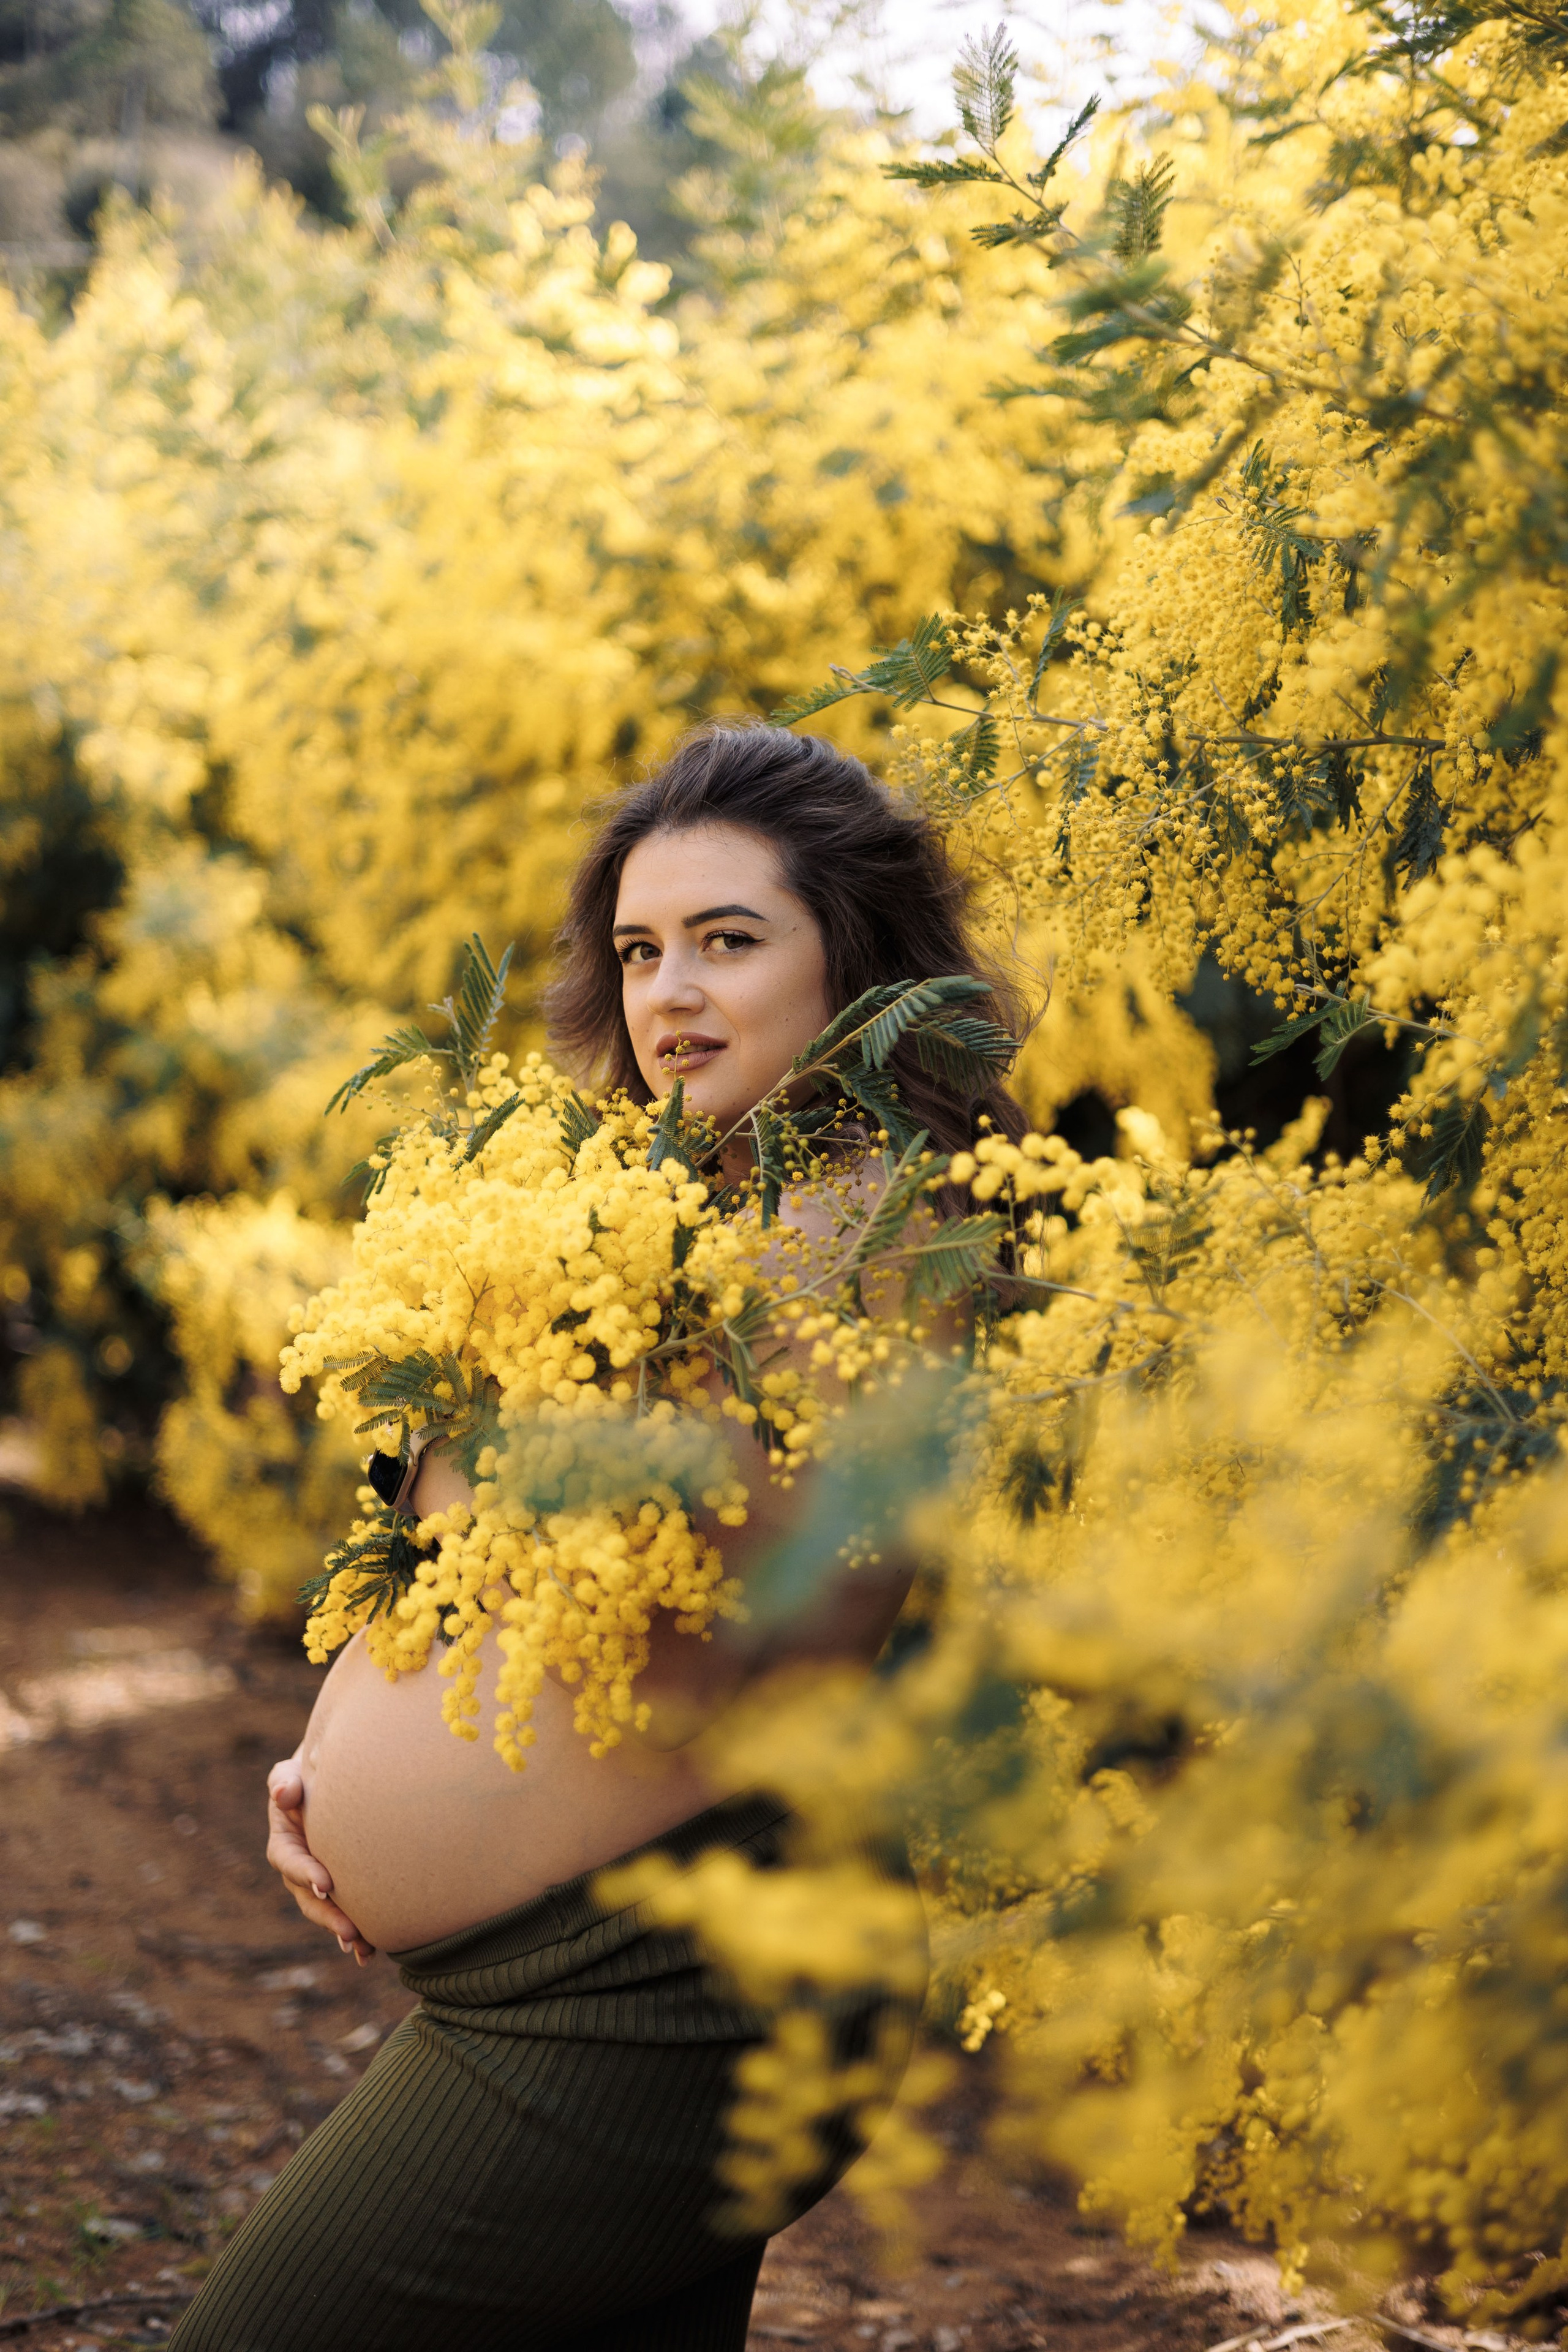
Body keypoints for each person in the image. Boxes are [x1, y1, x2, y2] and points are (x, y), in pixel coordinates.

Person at [168, 725, 1028, 2352]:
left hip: (662, 1991)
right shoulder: (693, 1220)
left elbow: (731, 1605)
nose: (669, 995)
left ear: (853, 962)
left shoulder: (872, 1239)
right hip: (596, 1973)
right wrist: (338, 1752)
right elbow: (503, 1573)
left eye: (728, 940)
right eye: (640, 950)